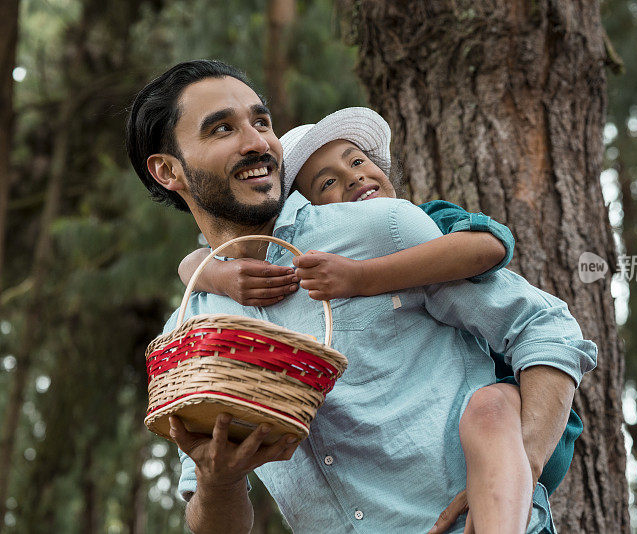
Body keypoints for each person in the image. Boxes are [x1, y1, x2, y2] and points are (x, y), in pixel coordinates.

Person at [126, 59, 597, 534]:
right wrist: (218, 483)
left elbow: (544, 327)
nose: (257, 142)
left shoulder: (380, 226)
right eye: (222, 129)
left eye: (261, 122)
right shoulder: (189, 337)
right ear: (168, 170)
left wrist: (526, 471)